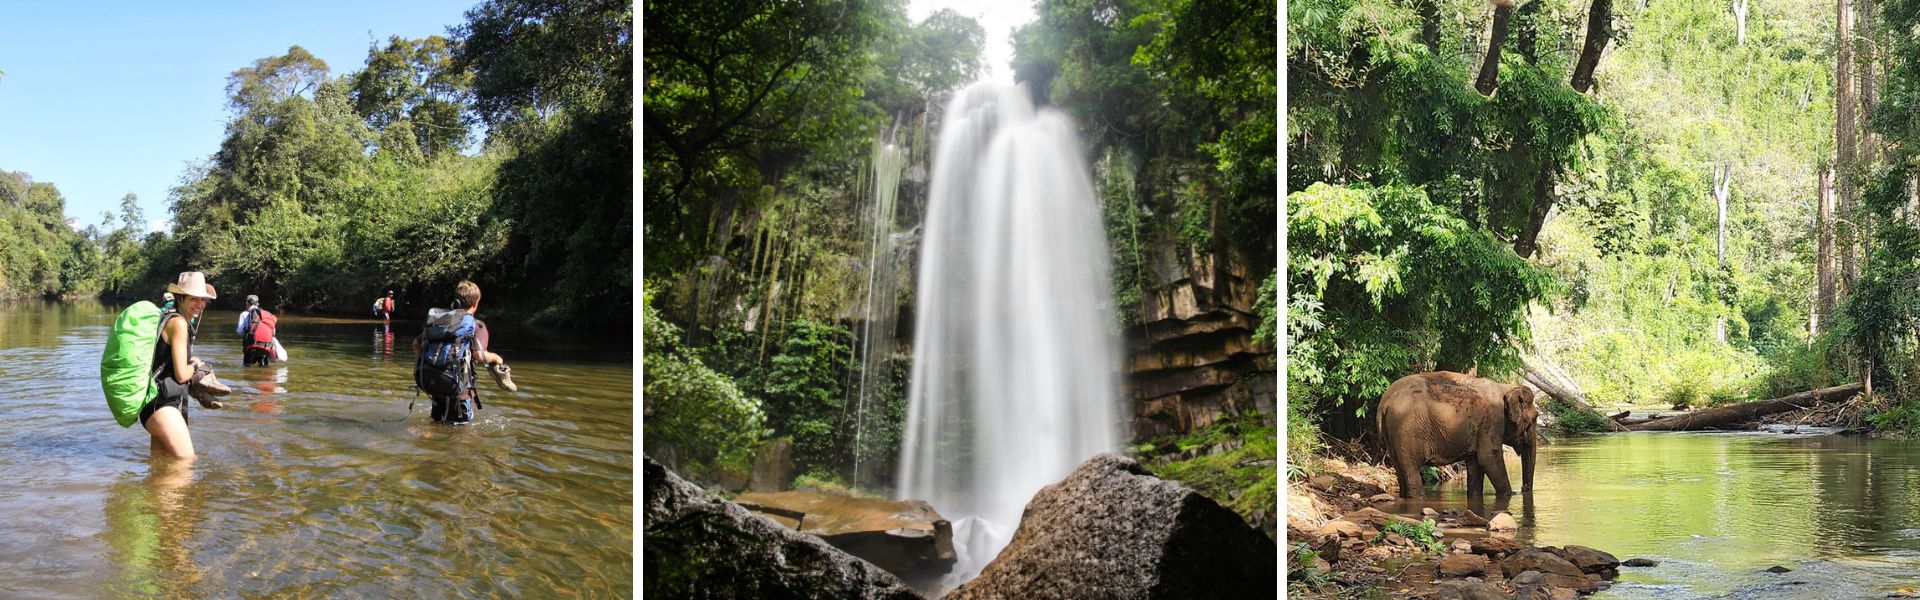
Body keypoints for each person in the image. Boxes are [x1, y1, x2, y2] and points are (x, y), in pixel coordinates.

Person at [143, 272, 226, 459]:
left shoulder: (167, 317)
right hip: (163, 406)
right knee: (187, 464)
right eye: (193, 299)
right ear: (181, 297)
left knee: (160, 466)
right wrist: (196, 365)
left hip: (153, 405)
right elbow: (181, 375)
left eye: (203, 299)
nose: (200, 304)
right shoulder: (179, 323)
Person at [414, 280, 516, 425]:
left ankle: (422, 434)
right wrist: (497, 358)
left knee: (435, 423)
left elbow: (416, 344)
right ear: (476, 303)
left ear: (456, 301)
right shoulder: (477, 326)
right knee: (463, 433)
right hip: (460, 390)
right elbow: (479, 355)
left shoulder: (441, 323)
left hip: (435, 384)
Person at [236, 295, 273, 366]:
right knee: (264, 367)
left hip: (251, 345)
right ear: (257, 303)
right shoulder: (265, 314)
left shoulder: (244, 314)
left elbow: (239, 330)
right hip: (265, 345)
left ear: (247, 303)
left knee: (247, 368)